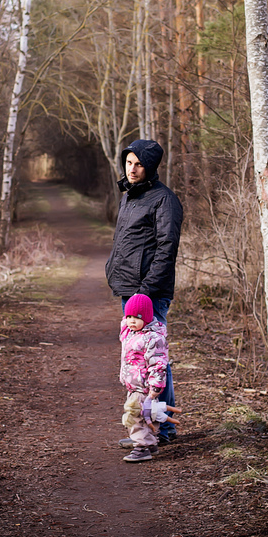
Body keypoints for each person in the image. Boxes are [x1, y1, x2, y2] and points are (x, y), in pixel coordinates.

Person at [106, 138, 183, 446]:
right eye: (129, 163)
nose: (133, 169)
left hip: (148, 293)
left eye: (139, 164)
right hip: (130, 290)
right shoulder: (130, 196)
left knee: (153, 359)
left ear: (150, 167)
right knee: (141, 360)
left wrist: (146, 292)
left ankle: (161, 431)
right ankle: (149, 428)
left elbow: (167, 249)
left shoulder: (165, 201)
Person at [119, 293, 169, 462]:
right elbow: (124, 325)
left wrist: (155, 387)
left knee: (135, 416)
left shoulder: (153, 338)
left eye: (137, 317)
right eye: (129, 317)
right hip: (134, 384)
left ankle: (141, 448)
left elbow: (158, 364)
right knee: (147, 415)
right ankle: (151, 444)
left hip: (145, 385)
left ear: (147, 318)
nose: (132, 321)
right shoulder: (130, 333)